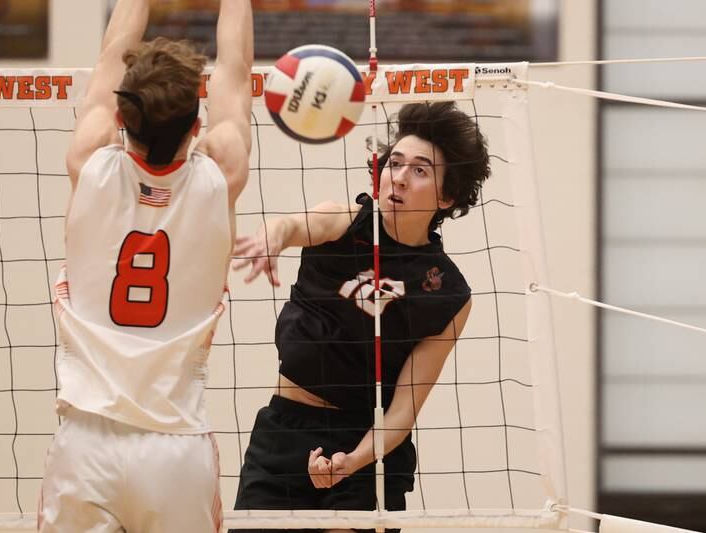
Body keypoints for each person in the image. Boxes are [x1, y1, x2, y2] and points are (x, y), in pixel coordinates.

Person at [38, 0, 253, 531]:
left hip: (85, 445)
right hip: (175, 450)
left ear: (119, 116)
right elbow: (236, 69)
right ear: (197, 122)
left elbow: (114, 52)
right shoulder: (220, 173)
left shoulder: (87, 161)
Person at [232, 101, 491, 533]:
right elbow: (296, 224)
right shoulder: (344, 221)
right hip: (285, 430)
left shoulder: (448, 293)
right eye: (395, 163)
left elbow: (402, 413)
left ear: (447, 196)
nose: (400, 177)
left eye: (420, 170)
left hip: (368, 445)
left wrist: (353, 461)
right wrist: (273, 235)